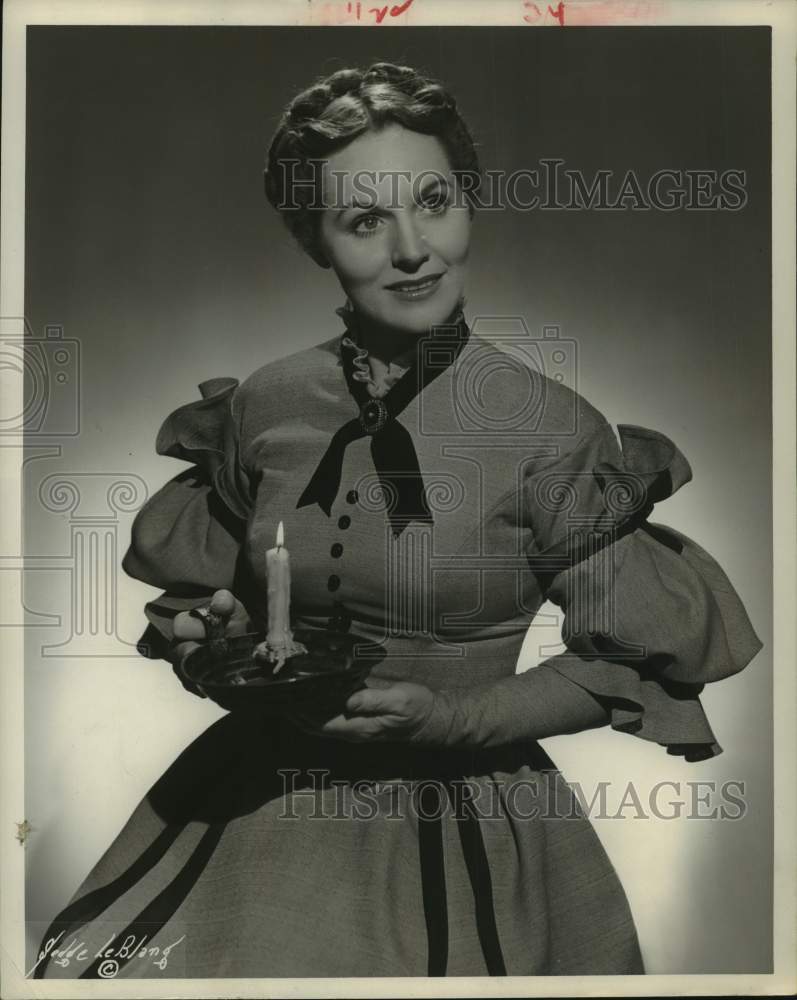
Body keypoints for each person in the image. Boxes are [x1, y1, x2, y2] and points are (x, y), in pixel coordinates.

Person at [35, 61, 762, 980]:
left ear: (469, 204)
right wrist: (204, 641)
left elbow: (632, 662)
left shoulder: (550, 428)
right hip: (252, 808)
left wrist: (454, 718)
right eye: (364, 220)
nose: (413, 248)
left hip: (458, 828)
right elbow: (204, 605)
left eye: (434, 201)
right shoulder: (264, 403)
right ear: (316, 241)